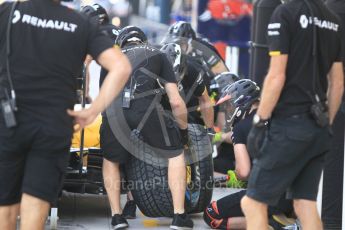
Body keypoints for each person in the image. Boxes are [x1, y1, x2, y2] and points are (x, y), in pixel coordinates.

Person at [0, 1, 131, 230]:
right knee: (35, 203)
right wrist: (93, 110)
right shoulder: (80, 23)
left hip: (9, 120)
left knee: (6, 208)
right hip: (54, 125)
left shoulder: (8, 11)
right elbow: (121, 67)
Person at [241, 1, 344, 230]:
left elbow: (276, 77)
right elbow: (337, 83)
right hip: (319, 129)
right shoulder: (333, 21)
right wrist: (328, 123)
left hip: (289, 128)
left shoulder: (284, 14)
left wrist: (259, 121)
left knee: (252, 203)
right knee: (305, 205)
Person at [100, 26, 193, 229]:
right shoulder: (159, 54)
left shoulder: (110, 57)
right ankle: (179, 216)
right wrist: (183, 132)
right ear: (143, 41)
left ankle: (117, 216)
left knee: (111, 159)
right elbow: (176, 102)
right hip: (146, 109)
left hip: (114, 112)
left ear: (121, 42)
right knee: (175, 154)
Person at [203, 80, 294, 230]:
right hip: (296, 193)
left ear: (242, 101)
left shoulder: (241, 128)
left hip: (267, 194)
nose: (229, 110)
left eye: (231, 105)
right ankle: (286, 218)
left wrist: (236, 177)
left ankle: (275, 225)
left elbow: (243, 172)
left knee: (211, 215)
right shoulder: (280, 117)